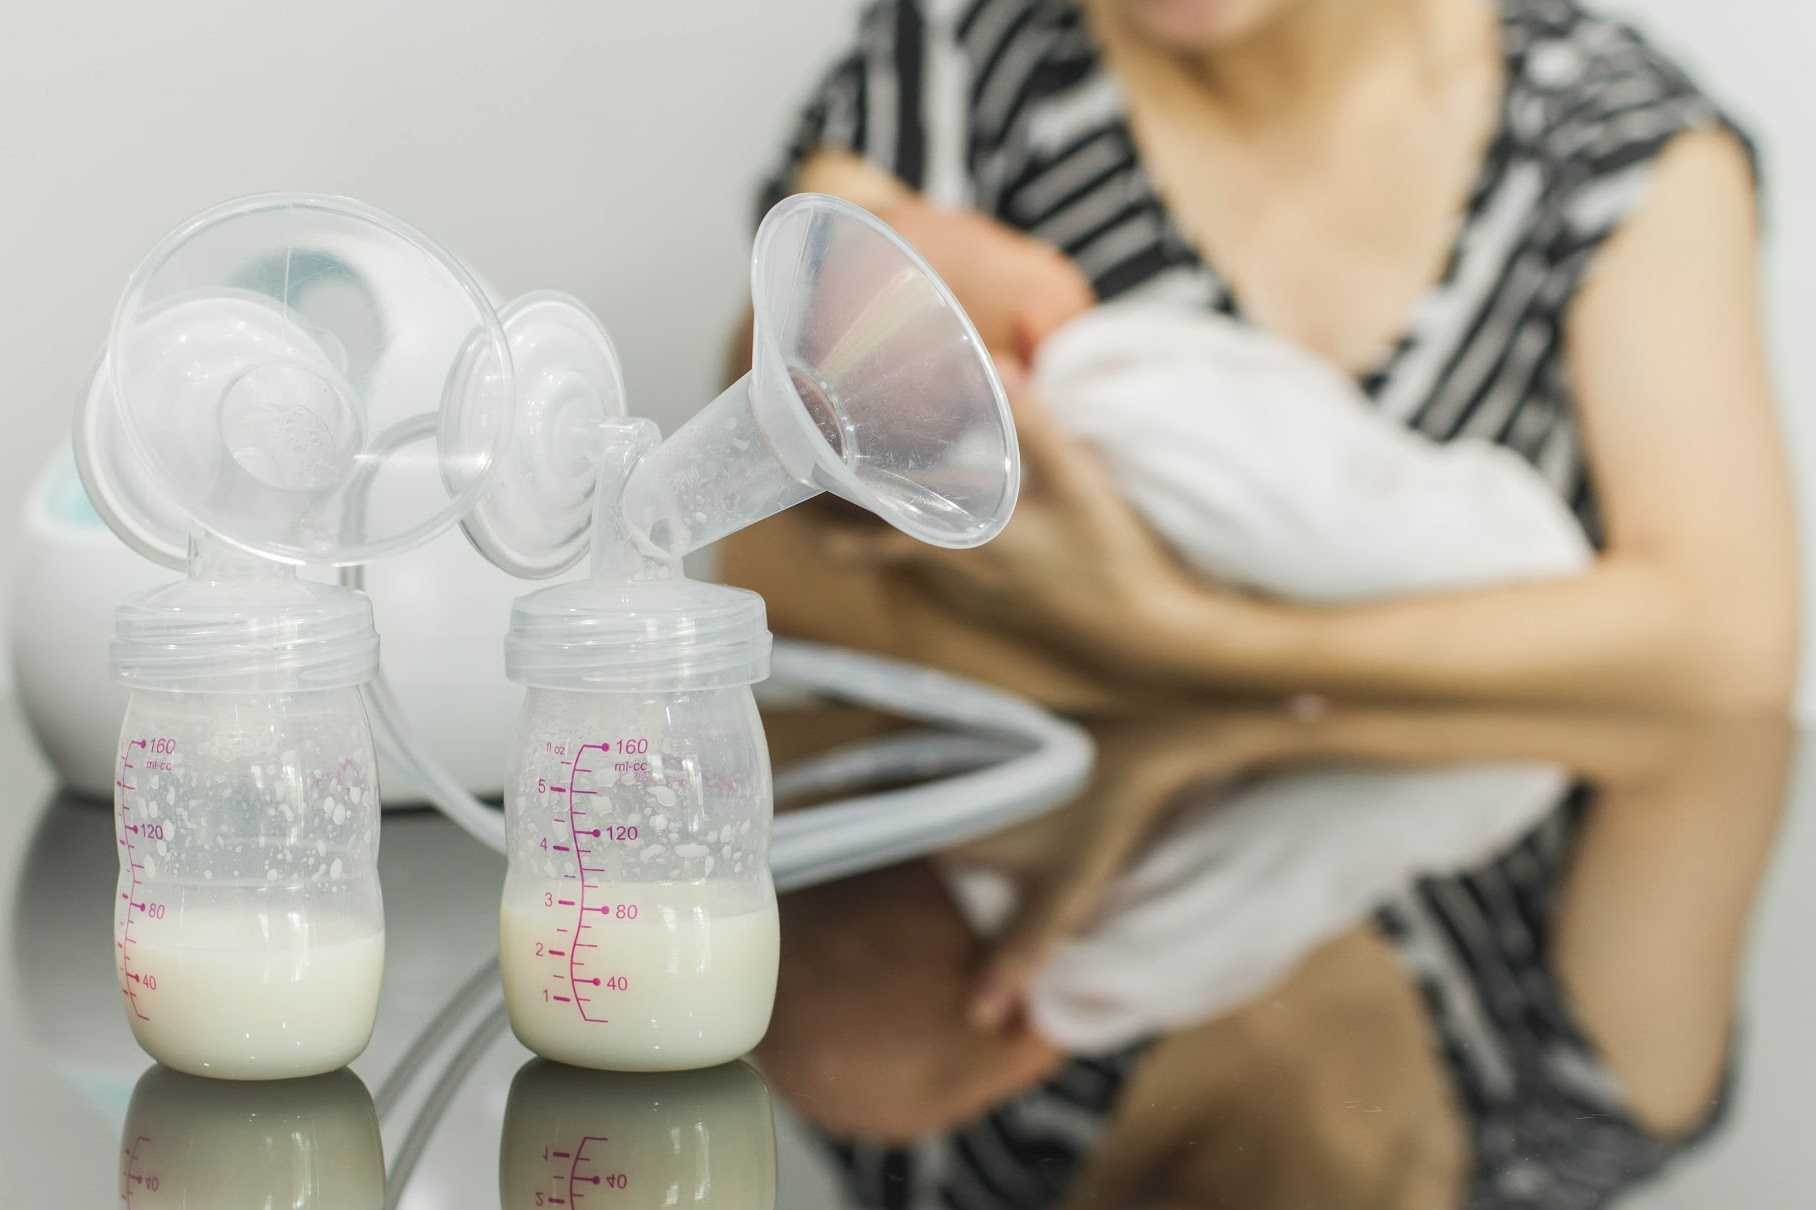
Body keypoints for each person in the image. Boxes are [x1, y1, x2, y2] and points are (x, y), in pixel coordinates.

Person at [721, 0, 1798, 715]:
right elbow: (776, 549)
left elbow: (1722, 639)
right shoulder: (967, 54)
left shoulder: (1613, 148)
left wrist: (1186, 644)